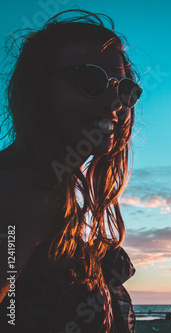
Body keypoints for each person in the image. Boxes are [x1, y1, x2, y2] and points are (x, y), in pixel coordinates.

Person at [0, 9, 142, 332]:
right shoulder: (28, 196)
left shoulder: (55, 195)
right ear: (40, 90)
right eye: (91, 80)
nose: (115, 103)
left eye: (124, 89)